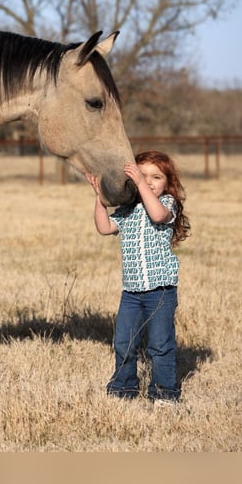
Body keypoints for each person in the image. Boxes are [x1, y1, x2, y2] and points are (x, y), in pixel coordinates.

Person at [86, 151, 190, 404]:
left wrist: (142, 186)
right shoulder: (127, 210)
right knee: (124, 341)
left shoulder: (167, 204)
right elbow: (104, 228)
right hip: (131, 292)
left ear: (168, 183)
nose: (149, 181)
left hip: (160, 290)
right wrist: (101, 199)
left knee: (159, 344)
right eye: (142, 176)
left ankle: (164, 393)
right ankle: (123, 388)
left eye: (156, 177)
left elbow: (157, 216)